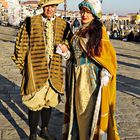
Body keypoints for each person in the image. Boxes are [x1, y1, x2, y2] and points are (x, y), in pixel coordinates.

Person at [11, 0, 72, 139]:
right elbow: (20, 47)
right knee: (34, 103)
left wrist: (65, 47)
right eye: (48, 6)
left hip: (54, 71)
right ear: (43, 7)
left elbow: (70, 43)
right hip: (36, 71)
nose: (50, 9)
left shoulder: (64, 25)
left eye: (53, 6)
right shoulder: (30, 22)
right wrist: (25, 69)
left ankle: (44, 129)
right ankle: (33, 134)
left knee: (49, 101)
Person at [62, 0, 120, 140]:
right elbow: (75, 54)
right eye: (82, 12)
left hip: (91, 78)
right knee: (78, 111)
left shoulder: (100, 32)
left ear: (94, 14)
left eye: (87, 12)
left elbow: (108, 57)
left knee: (89, 113)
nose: (84, 15)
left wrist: (106, 72)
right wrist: (66, 53)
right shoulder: (77, 31)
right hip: (77, 77)